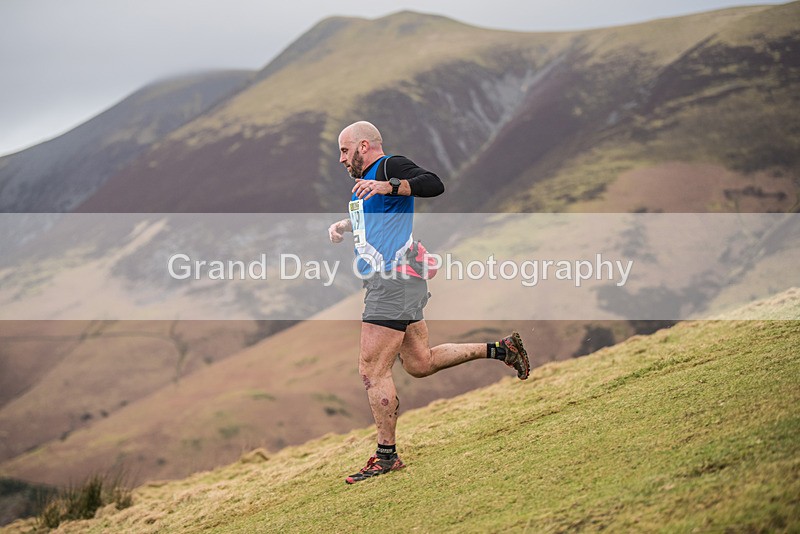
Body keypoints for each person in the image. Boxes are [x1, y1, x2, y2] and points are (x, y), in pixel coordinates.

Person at [328, 121, 530, 484]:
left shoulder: (389, 166)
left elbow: (433, 184)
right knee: (420, 363)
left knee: (371, 372)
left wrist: (387, 184)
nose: (340, 159)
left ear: (362, 146)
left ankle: (386, 456)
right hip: (400, 280)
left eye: (344, 151)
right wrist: (347, 224)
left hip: (391, 283)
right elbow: (380, 220)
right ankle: (503, 349)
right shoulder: (367, 186)